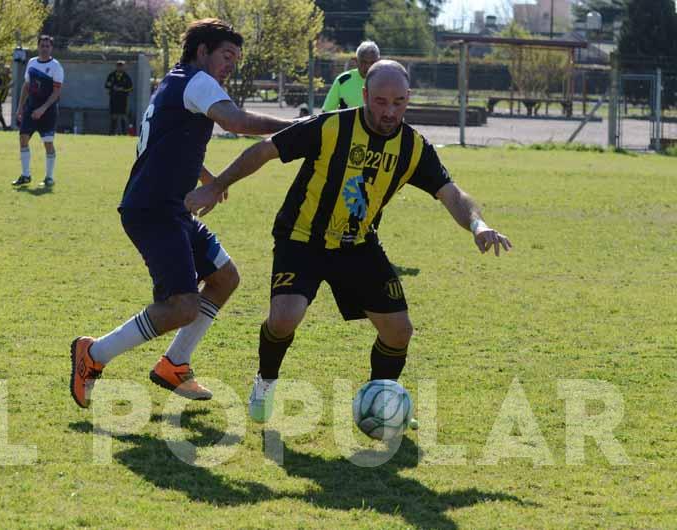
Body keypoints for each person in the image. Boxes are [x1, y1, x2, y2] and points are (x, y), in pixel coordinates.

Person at [186, 60, 513, 422]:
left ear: (409, 99)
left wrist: (478, 225)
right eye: (381, 101)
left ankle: (382, 399)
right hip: (302, 238)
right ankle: (265, 382)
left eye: (398, 102)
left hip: (357, 243)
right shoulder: (331, 127)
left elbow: (452, 194)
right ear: (364, 95)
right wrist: (217, 186)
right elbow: (265, 150)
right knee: (284, 320)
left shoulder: (414, 148)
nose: (389, 111)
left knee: (398, 332)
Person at [69, 19, 296, 408]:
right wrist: (301, 127)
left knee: (224, 278)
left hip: (168, 207)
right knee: (181, 306)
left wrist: (207, 177)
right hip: (155, 209)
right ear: (202, 51)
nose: (231, 65)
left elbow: (170, 139)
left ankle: (175, 363)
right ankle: (94, 354)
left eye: (236, 59)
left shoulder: (176, 81)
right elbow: (238, 123)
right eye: (227, 55)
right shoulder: (197, 80)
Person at [12, 35, 64, 187]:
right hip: (30, 108)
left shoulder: (56, 66)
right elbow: (26, 86)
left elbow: (56, 92)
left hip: (48, 111)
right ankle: (26, 175)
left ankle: (49, 177)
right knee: (23, 138)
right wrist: (20, 107)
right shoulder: (32, 62)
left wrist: (42, 109)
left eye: (47, 46)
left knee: (48, 143)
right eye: (42, 45)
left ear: (51, 48)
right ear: (38, 46)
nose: (44, 48)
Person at [321, 40, 380, 112]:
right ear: (356, 61)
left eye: (372, 62)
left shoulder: (387, 81)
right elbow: (326, 112)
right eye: (363, 62)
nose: (368, 66)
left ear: (378, 61)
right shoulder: (342, 80)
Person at [105, 60, 133, 135]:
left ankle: (124, 133)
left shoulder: (126, 77)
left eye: (121, 66)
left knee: (123, 115)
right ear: (116, 67)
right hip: (113, 98)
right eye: (118, 66)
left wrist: (122, 89)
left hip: (123, 99)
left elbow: (130, 88)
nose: (120, 68)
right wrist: (113, 88)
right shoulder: (111, 75)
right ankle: (112, 133)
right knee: (113, 116)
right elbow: (107, 86)